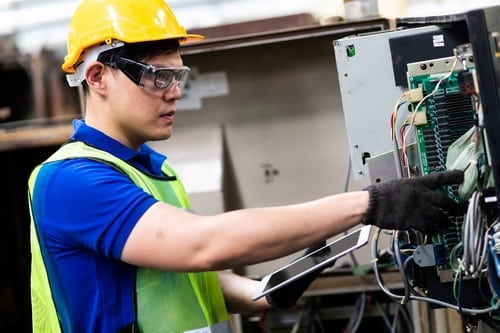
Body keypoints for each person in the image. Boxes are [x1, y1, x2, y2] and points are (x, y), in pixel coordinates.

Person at [27, 0, 465, 332]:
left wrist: (261, 293)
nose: (175, 92)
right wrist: (366, 205)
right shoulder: (70, 180)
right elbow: (204, 245)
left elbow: (185, 280)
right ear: (97, 77)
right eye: (157, 76)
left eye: (178, 77)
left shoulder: (150, 169)